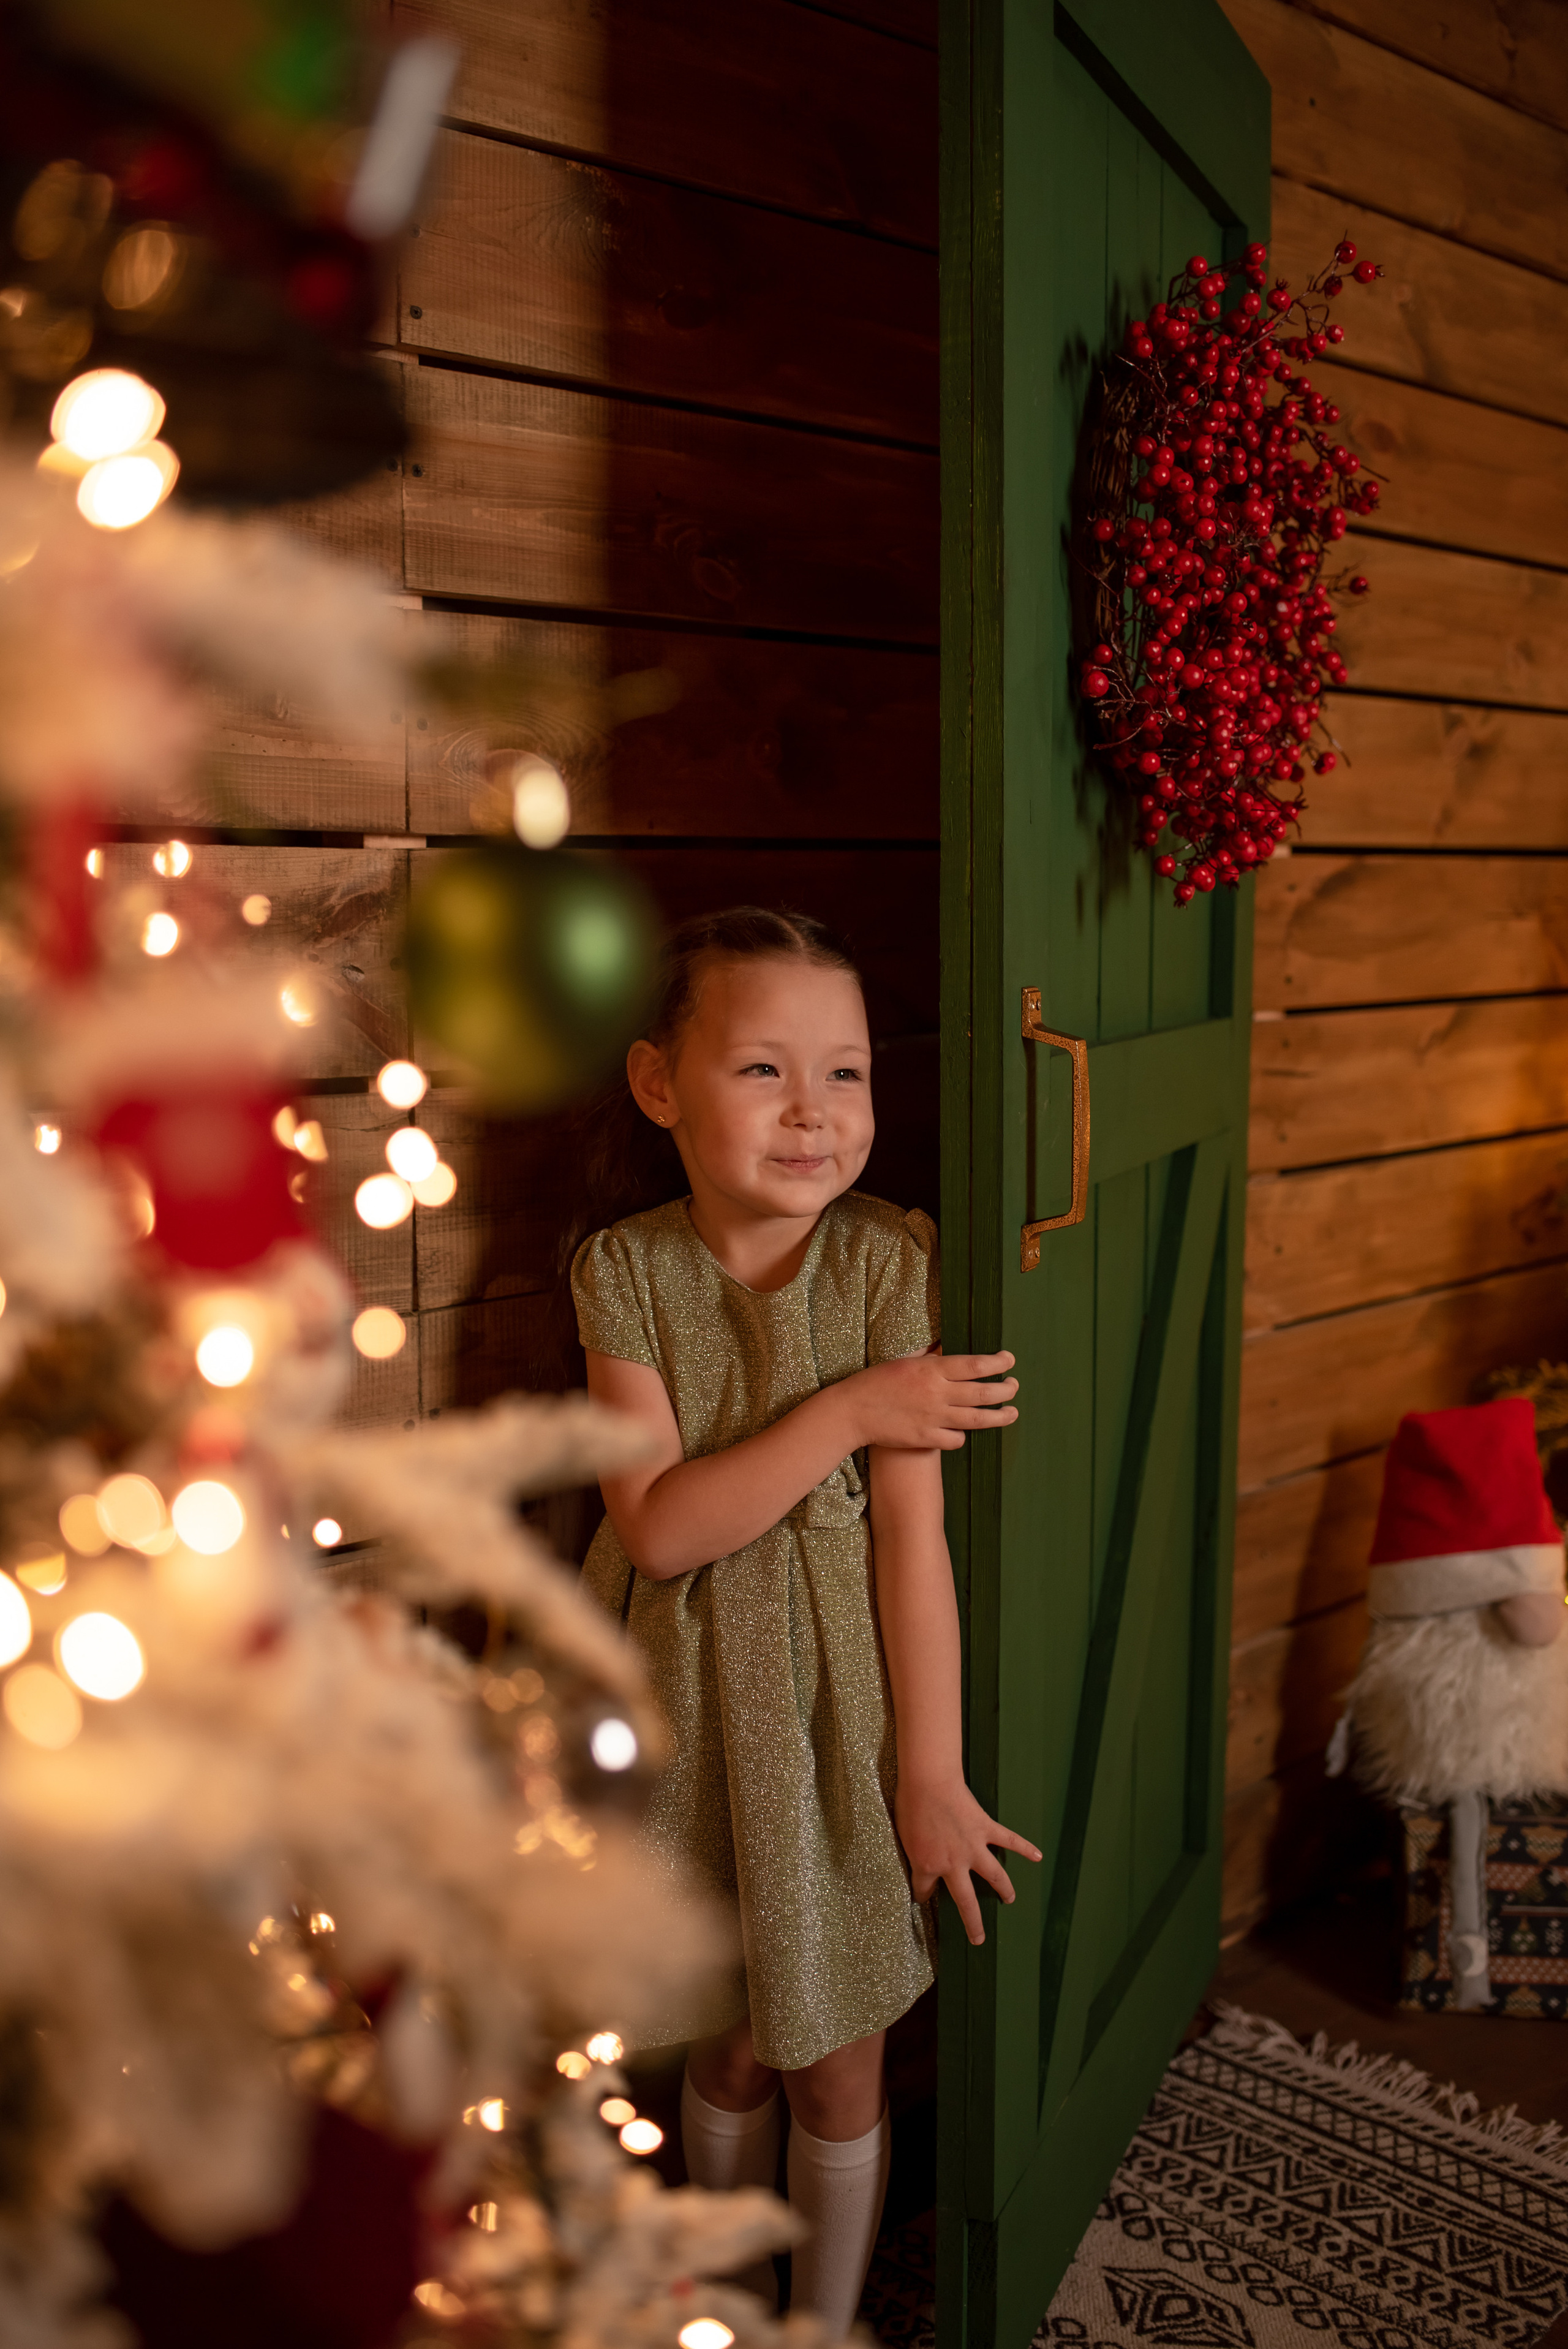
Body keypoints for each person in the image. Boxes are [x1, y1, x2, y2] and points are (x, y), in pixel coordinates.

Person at [570, 907, 1038, 2329]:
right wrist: (844, 1407)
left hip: (840, 1711)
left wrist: (930, 1773)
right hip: (690, 1702)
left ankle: (821, 2325)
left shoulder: (894, 1262)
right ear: (661, 1086)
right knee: (725, 2049)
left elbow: (911, 1542)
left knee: (838, 2054)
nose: (812, 1113)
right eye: (763, 1071)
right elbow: (656, 1525)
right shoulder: (627, 1273)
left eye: (844, 1075)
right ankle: (728, 2295)